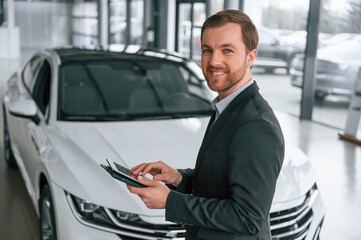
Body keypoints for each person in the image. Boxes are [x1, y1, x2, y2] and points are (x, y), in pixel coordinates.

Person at [127, 9, 285, 240]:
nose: (214, 61)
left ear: (250, 57)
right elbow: (222, 182)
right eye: (207, 50)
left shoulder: (255, 125)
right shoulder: (227, 106)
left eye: (227, 50)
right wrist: (179, 178)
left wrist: (171, 201)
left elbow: (248, 217)